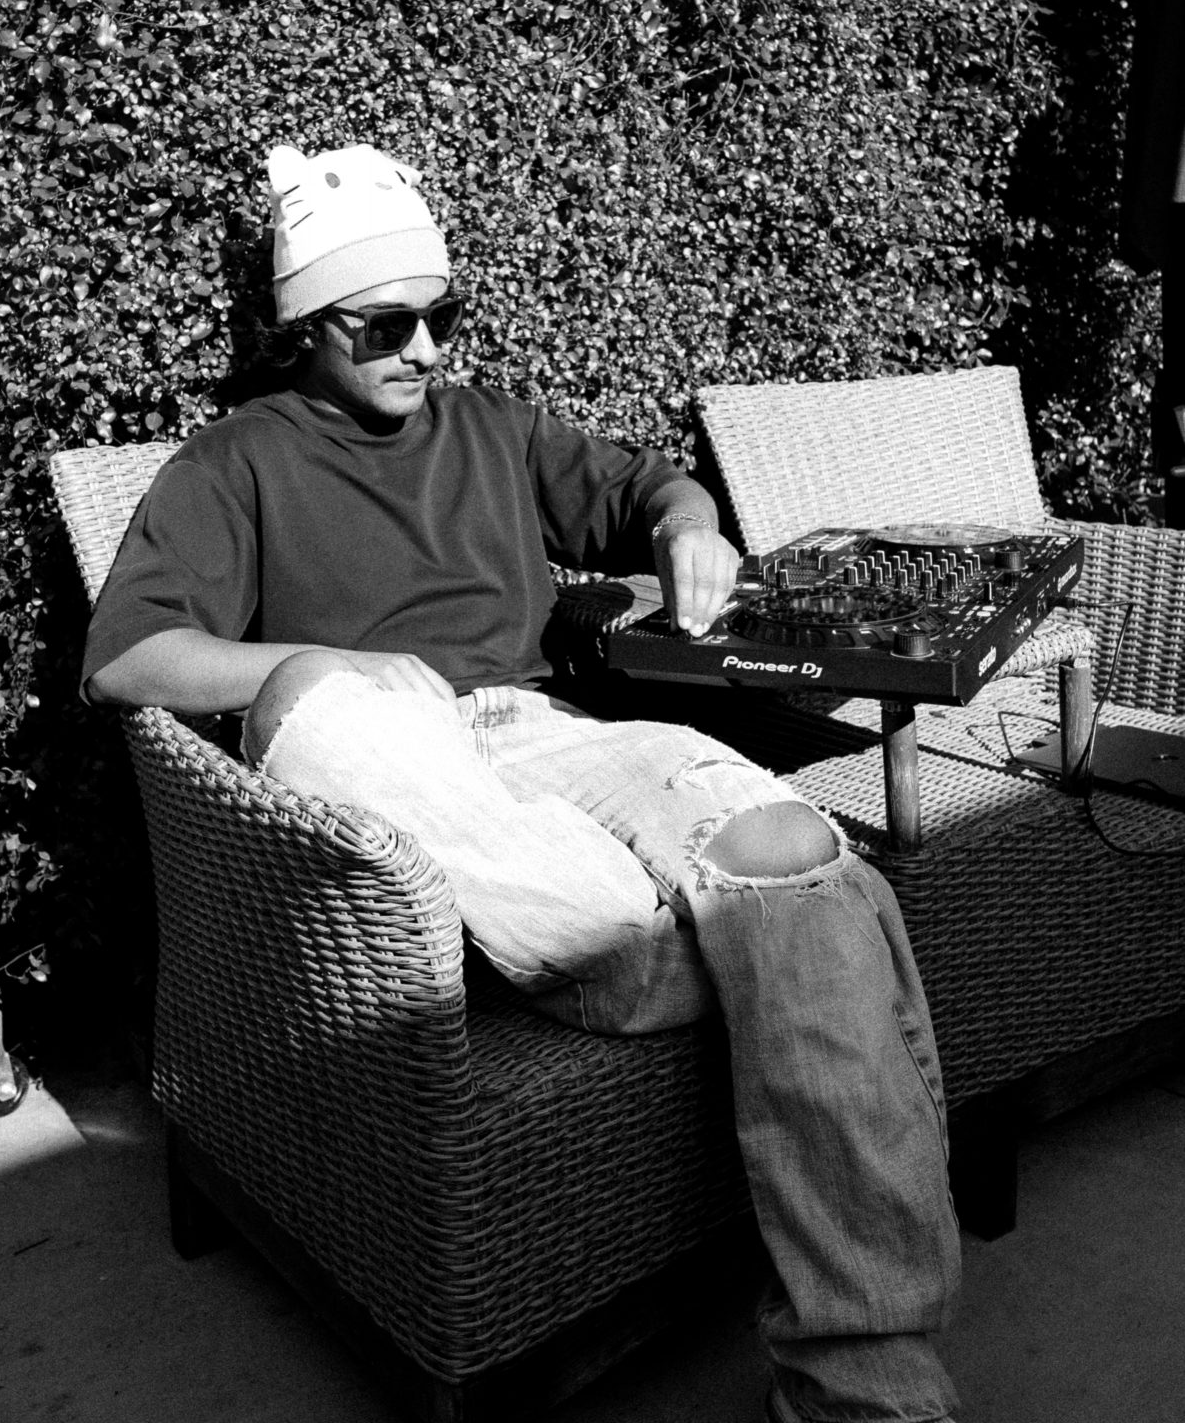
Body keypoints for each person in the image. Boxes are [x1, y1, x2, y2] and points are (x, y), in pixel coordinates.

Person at [83, 141, 962, 1423]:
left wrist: (689, 528)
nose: (425, 347)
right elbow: (127, 657)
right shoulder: (235, 460)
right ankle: (722, 963)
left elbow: (647, 485)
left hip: (549, 732)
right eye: (385, 322)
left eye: (443, 314)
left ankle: (865, 1392)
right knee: (317, 713)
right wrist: (321, 663)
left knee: (794, 859)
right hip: (388, 750)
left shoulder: (494, 426)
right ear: (305, 325)